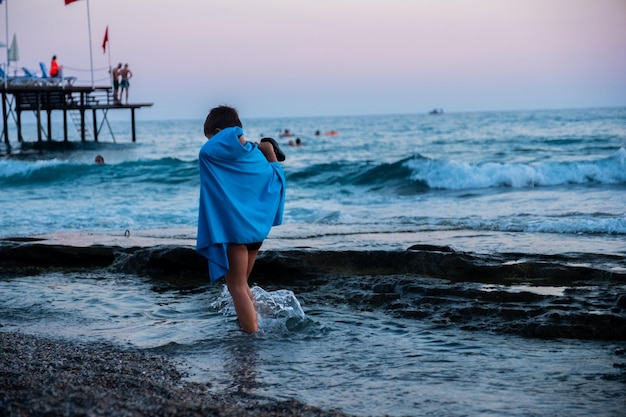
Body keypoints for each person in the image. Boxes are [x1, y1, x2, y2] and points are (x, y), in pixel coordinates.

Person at [196, 105, 286, 333]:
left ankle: (250, 340)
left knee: (236, 287)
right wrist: (270, 155)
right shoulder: (256, 157)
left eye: (212, 137)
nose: (210, 144)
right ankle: (252, 326)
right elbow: (276, 182)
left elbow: (214, 146)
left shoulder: (211, 154)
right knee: (241, 286)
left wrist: (234, 133)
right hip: (255, 233)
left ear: (218, 132)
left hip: (236, 233)